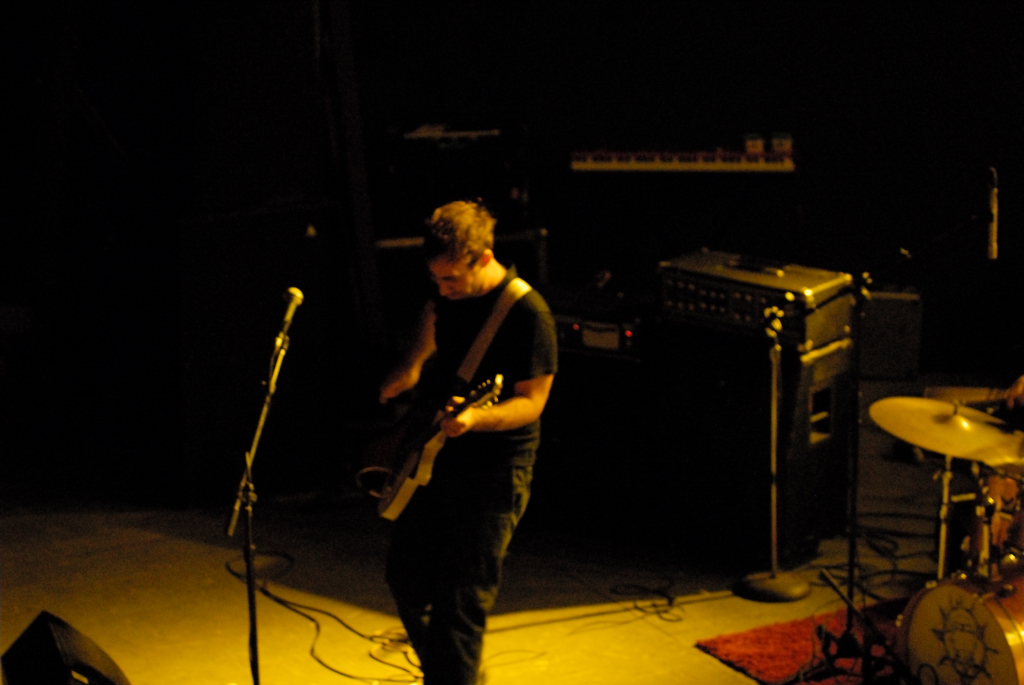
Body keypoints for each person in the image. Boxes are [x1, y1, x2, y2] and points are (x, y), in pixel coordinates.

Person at [378, 200, 557, 685]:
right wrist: (412, 365)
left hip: (497, 470)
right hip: (440, 460)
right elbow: (431, 314)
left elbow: (532, 402)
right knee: (406, 577)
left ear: (484, 258)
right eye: (435, 279)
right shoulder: (448, 295)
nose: (442, 288)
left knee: (461, 600)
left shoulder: (528, 315)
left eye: (451, 279)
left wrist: (477, 418)